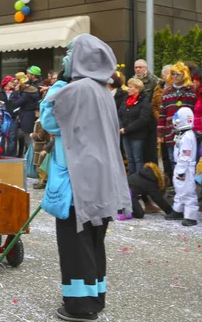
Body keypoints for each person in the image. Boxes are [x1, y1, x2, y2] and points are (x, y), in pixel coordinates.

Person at [40, 35, 130, 322]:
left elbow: (49, 121)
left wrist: (57, 83)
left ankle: (80, 306)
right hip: (100, 179)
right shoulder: (102, 90)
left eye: (68, 53)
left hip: (77, 180)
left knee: (75, 244)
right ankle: (95, 295)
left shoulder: (75, 89)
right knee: (94, 240)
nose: (64, 58)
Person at [157, 62, 196, 178]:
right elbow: (162, 115)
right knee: (172, 158)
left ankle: (188, 185)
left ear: (184, 75)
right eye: (172, 74)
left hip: (188, 133)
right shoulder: (167, 92)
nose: (174, 76)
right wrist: (160, 133)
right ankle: (176, 185)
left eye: (177, 74)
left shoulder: (191, 91)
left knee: (187, 159)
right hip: (170, 133)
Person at [164, 107, 199, 227]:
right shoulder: (182, 134)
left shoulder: (188, 136)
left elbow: (185, 155)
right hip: (179, 166)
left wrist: (181, 171)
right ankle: (178, 210)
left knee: (187, 192)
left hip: (185, 168)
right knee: (179, 190)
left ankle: (191, 216)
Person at [118, 78, 151, 175]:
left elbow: (143, 119)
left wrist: (127, 129)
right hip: (125, 134)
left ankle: (138, 177)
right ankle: (131, 178)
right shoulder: (126, 99)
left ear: (137, 89)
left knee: (137, 158)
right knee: (129, 158)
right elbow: (119, 113)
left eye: (131, 87)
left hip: (137, 135)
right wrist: (121, 127)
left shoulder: (144, 101)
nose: (128, 89)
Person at [30, 108, 50, 189]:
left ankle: (43, 181)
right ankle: (41, 180)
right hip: (38, 146)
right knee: (38, 165)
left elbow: (41, 135)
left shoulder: (41, 122)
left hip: (41, 146)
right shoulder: (39, 121)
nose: (35, 112)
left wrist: (33, 135)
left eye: (37, 111)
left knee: (40, 165)